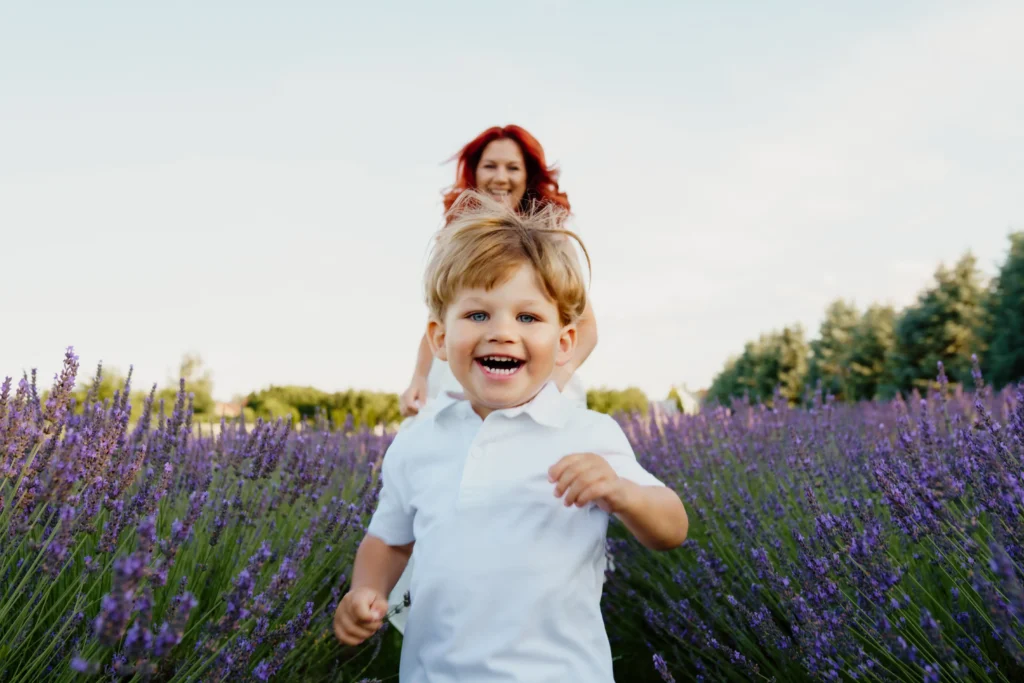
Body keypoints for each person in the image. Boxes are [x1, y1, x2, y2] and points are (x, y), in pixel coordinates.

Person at [334, 194, 689, 682]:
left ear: (564, 344)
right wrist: (364, 591)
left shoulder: (586, 433)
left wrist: (622, 492)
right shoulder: (419, 442)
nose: (502, 332)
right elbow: (390, 541)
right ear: (439, 338)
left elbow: (672, 528)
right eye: (478, 315)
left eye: (528, 317)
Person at [398, 125, 597, 418]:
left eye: (512, 168)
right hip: (463, 379)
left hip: (534, 380)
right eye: (490, 166)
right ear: (474, 173)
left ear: (528, 175)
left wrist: (549, 384)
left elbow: (587, 327)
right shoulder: (453, 238)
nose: (501, 177)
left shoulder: (552, 238)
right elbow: (440, 316)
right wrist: (419, 377)